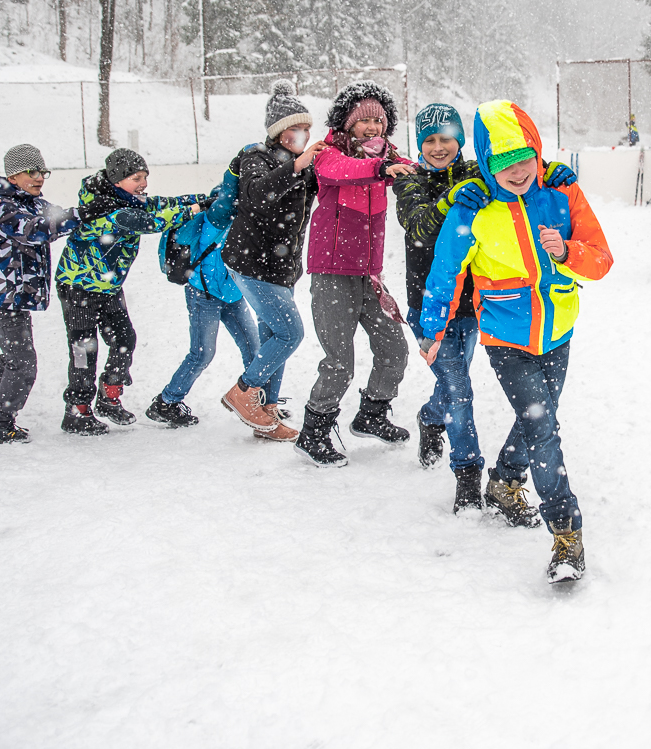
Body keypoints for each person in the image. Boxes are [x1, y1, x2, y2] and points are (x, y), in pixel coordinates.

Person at [418, 100, 613, 584]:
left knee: (538, 420)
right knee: (542, 428)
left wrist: (566, 251)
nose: (518, 171)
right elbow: (445, 273)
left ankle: (505, 482)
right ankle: (567, 535)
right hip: (506, 338)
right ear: (486, 162)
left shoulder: (561, 191)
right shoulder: (474, 208)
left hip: (558, 331)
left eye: (524, 157)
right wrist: (433, 330)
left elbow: (601, 260)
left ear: (537, 151)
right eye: (503, 162)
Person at [395, 102, 577, 513]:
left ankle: (430, 417)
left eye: (446, 139)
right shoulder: (409, 180)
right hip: (430, 305)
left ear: (460, 141)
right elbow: (419, 226)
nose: (438, 148)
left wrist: (550, 172)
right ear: (420, 145)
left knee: (451, 386)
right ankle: (467, 477)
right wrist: (450, 200)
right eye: (429, 140)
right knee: (460, 392)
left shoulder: (477, 172)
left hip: (474, 306)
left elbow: (515, 170)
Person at [0, 144, 116, 444]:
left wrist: (93, 211)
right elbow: (34, 230)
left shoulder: (33, 201)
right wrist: (81, 213)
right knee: (23, 362)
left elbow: (58, 218)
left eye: (42, 172)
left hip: (15, 295)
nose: (39, 178)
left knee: (16, 358)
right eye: (32, 172)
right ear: (13, 175)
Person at [295, 80, 415, 467]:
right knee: (339, 361)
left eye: (379, 121)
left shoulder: (386, 156)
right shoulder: (327, 153)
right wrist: (382, 168)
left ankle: (372, 414)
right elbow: (344, 171)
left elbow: (415, 170)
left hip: (369, 275)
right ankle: (313, 432)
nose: (372, 127)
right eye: (364, 120)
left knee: (394, 349)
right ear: (347, 122)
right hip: (332, 272)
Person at [54, 148, 207, 435]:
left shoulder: (129, 199)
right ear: (116, 180)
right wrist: (194, 210)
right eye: (136, 178)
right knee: (83, 351)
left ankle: (109, 397)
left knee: (124, 340)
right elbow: (150, 222)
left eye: (145, 177)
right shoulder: (102, 207)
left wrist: (206, 197)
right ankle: (77, 410)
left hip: (109, 287)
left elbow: (163, 203)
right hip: (78, 288)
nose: (143, 184)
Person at [219, 80, 325, 443]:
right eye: (298, 128)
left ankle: (264, 409)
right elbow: (255, 195)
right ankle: (243, 392)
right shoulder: (257, 157)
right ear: (281, 132)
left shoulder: (301, 167)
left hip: (281, 268)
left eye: (308, 129)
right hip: (253, 263)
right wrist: (296, 166)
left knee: (271, 335)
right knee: (289, 334)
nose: (305, 134)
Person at [148, 146, 262, 432]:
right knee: (201, 354)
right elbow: (222, 205)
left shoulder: (248, 218)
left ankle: (261, 405)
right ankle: (166, 402)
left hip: (234, 296)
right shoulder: (216, 215)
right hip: (203, 295)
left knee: (256, 350)